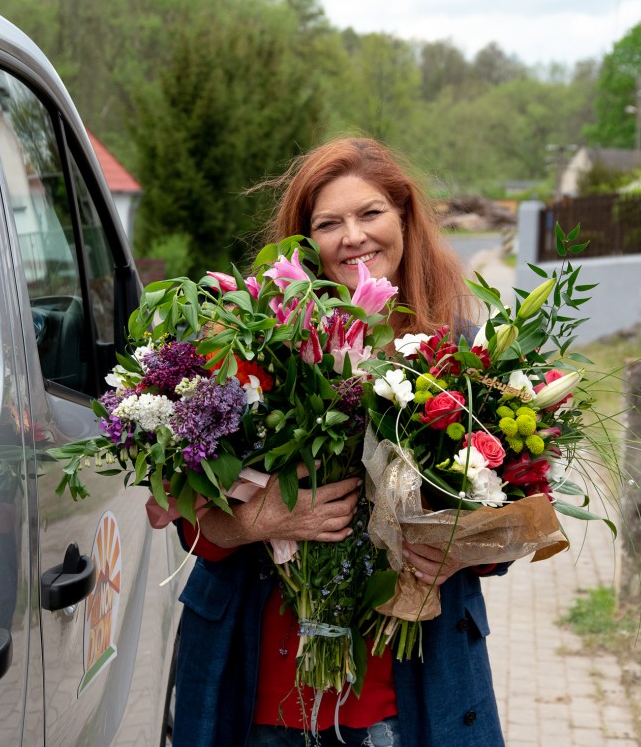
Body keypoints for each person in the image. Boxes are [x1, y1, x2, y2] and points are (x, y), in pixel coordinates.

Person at [171, 137, 508, 746]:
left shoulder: (464, 349)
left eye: (371, 213)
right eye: (329, 223)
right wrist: (263, 519)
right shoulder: (255, 337)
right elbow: (187, 505)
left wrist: (460, 548)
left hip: (404, 695)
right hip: (260, 694)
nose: (353, 237)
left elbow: (513, 503)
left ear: (405, 218)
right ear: (305, 241)